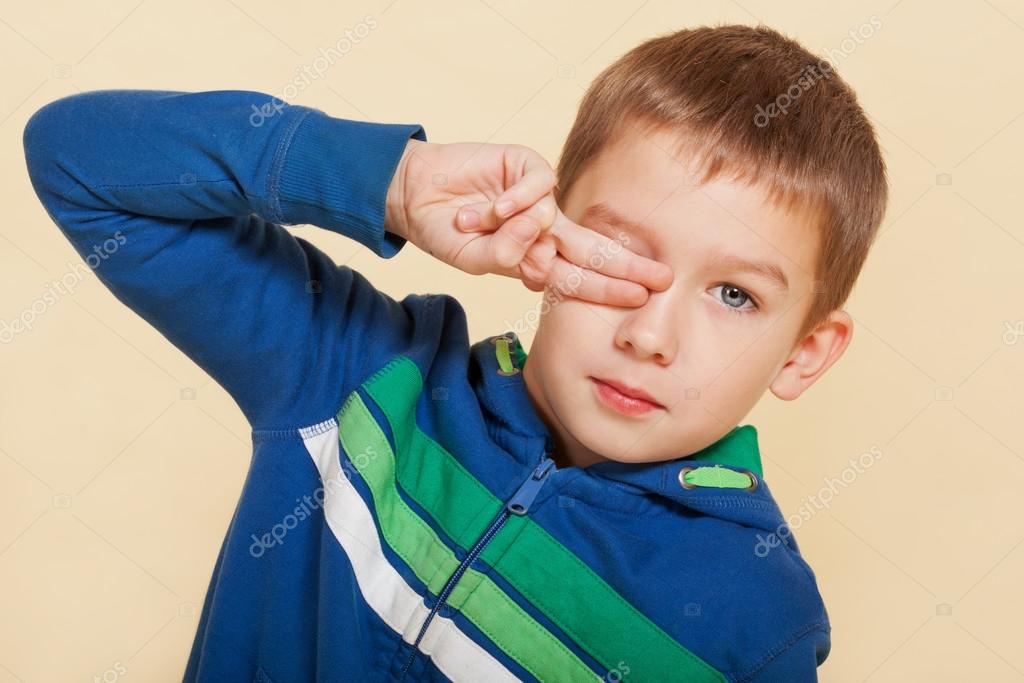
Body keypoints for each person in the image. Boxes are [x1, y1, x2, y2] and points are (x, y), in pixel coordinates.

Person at [22, 23, 886, 683]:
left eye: (734, 295)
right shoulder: (359, 373)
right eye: (618, 255)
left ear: (805, 352)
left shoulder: (754, 624)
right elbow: (77, 163)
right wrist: (388, 182)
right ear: (545, 226)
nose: (649, 336)